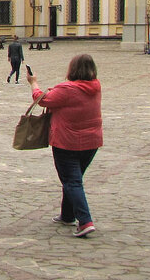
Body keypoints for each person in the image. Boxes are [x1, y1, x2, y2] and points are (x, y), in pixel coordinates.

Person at [27, 55, 102, 238]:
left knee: (72, 181)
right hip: (91, 142)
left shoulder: (67, 89)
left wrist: (33, 82)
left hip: (67, 142)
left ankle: (85, 221)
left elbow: (41, 99)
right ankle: (67, 215)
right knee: (73, 180)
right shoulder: (95, 86)